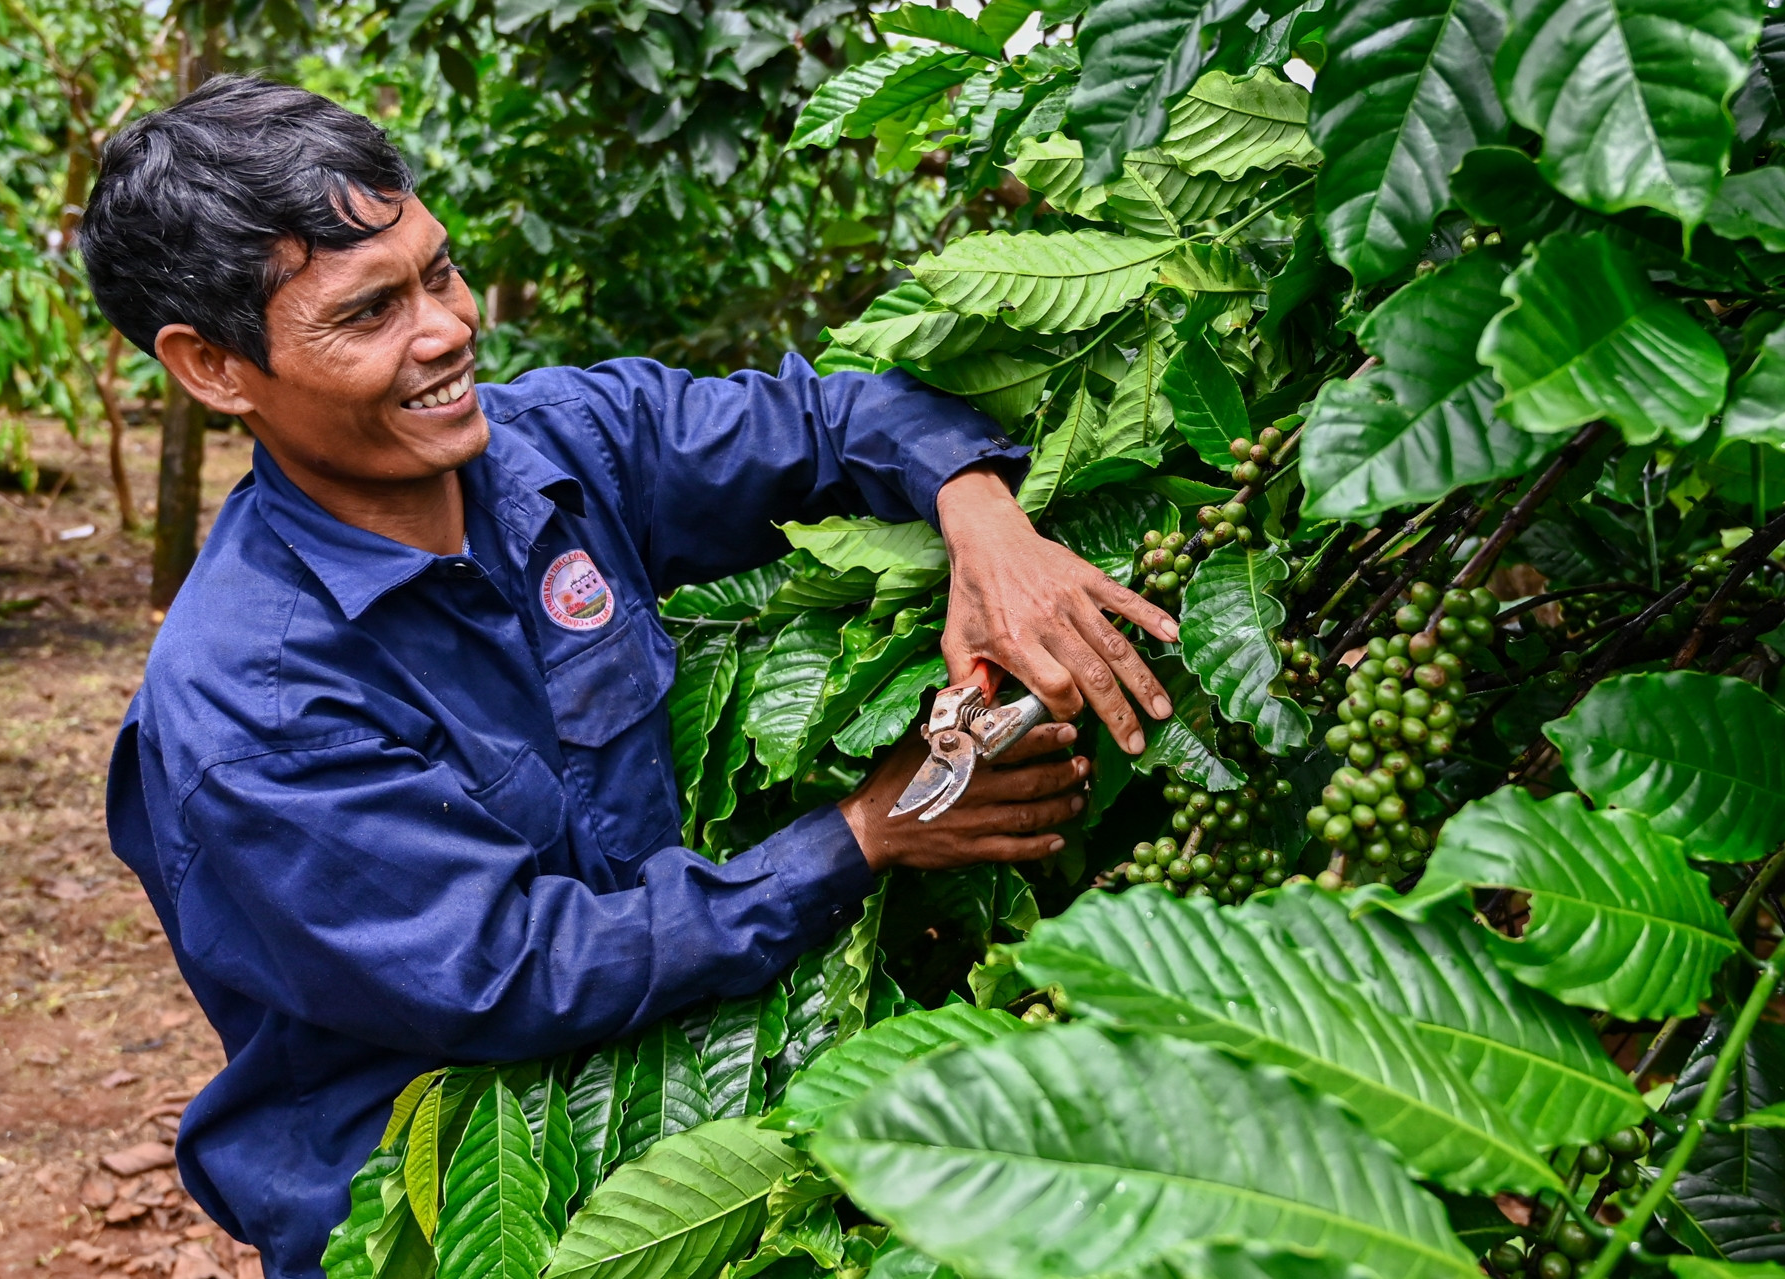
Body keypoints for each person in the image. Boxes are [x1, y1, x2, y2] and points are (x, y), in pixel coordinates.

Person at [81, 75, 1178, 1279]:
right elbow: (508, 968)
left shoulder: (559, 446)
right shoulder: (253, 698)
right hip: (430, 1201)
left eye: (437, 274)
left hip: (662, 1106)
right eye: (367, 313)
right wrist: (867, 832)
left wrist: (983, 524)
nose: (444, 330)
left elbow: (821, 420)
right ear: (215, 368)